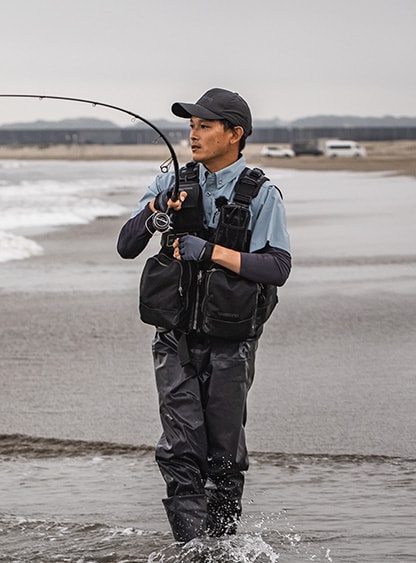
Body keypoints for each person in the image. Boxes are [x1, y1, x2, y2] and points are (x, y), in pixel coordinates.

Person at [116, 88, 292, 542]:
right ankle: (192, 548)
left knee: (223, 456)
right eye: (191, 126)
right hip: (173, 339)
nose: (193, 135)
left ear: (235, 134)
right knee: (179, 449)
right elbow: (126, 245)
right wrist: (158, 212)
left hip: (231, 343)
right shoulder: (171, 183)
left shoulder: (261, 193)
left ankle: (223, 546)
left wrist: (211, 251)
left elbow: (277, 266)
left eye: (205, 125)